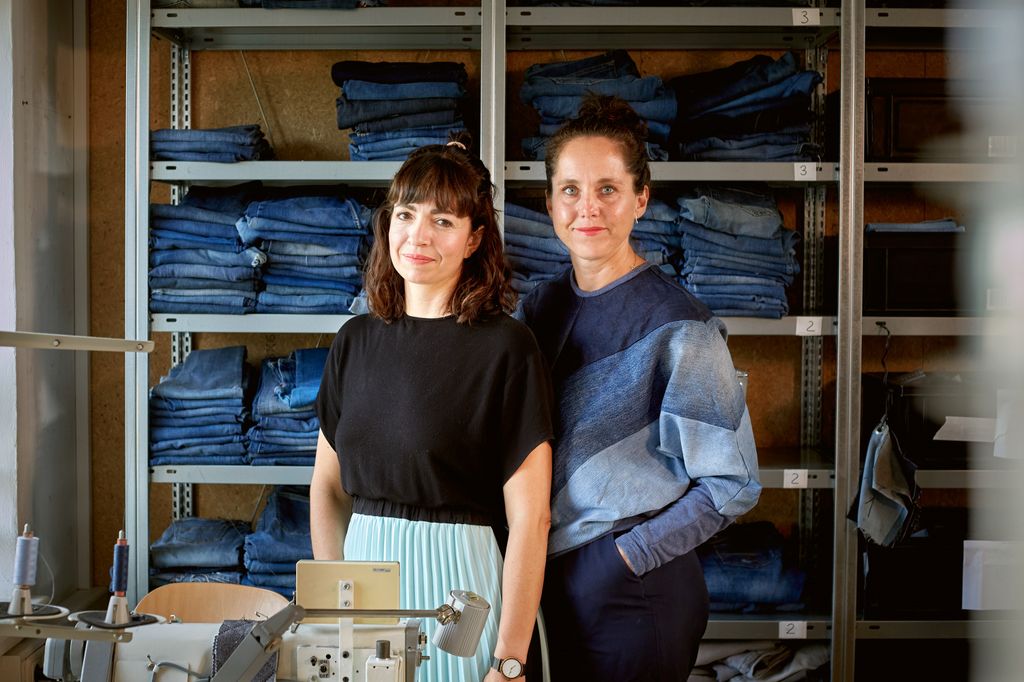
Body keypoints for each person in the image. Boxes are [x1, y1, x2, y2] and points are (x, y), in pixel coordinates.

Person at [517, 94, 762, 681]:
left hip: (633, 589)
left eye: (608, 188)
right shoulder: (538, 309)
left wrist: (623, 558)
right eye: (570, 189)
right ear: (549, 201)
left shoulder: (681, 324)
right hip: (542, 579)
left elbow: (732, 484)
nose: (587, 208)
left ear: (641, 199)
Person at [311, 133, 554, 682]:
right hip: (362, 593)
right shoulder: (354, 341)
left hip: (461, 596)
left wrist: (509, 660)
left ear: (474, 239)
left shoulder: (507, 349)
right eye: (406, 214)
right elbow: (327, 488)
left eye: (443, 221)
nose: (418, 236)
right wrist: (335, 610)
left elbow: (530, 519)